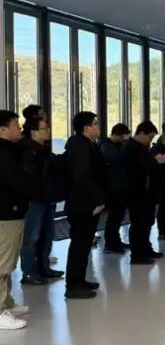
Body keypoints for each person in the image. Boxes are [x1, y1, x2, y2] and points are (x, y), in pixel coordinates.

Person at [64, 111, 106, 299]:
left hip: (87, 202)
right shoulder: (79, 147)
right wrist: (96, 200)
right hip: (82, 204)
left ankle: (79, 279)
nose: (98, 127)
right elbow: (83, 178)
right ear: (86, 128)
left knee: (85, 243)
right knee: (79, 244)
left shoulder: (89, 145)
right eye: (95, 124)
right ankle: (73, 284)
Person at [19, 115, 63, 285]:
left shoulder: (43, 150)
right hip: (34, 199)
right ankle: (29, 272)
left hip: (46, 197)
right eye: (44, 128)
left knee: (47, 235)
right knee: (31, 237)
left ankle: (43, 268)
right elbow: (32, 178)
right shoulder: (27, 151)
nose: (48, 131)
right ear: (34, 132)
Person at [0, 110, 32, 329]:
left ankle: (7, 303)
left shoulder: (11, 151)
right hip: (5, 213)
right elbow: (15, 182)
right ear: (3, 130)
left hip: (14, 212)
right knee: (2, 263)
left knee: (9, 261)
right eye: (15, 125)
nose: (19, 128)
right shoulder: (3, 154)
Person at [124, 121, 165, 265]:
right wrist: (155, 162)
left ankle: (146, 248)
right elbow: (138, 169)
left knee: (147, 222)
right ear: (141, 133)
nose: (150, 140)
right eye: (149, 137)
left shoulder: (143, 148)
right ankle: (137, 254)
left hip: (147, 193)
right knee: (138, 224)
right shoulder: (130, 148)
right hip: (136, 193)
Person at [100, 123, 131, 254]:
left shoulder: (119, 146)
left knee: (118, 217)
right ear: (118, 135)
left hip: (121, 187)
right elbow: (118, 159)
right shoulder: (105, 146)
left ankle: (116, 241)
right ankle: (110, 243)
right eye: (123, 137)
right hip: (111, 188)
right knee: (113, 217)